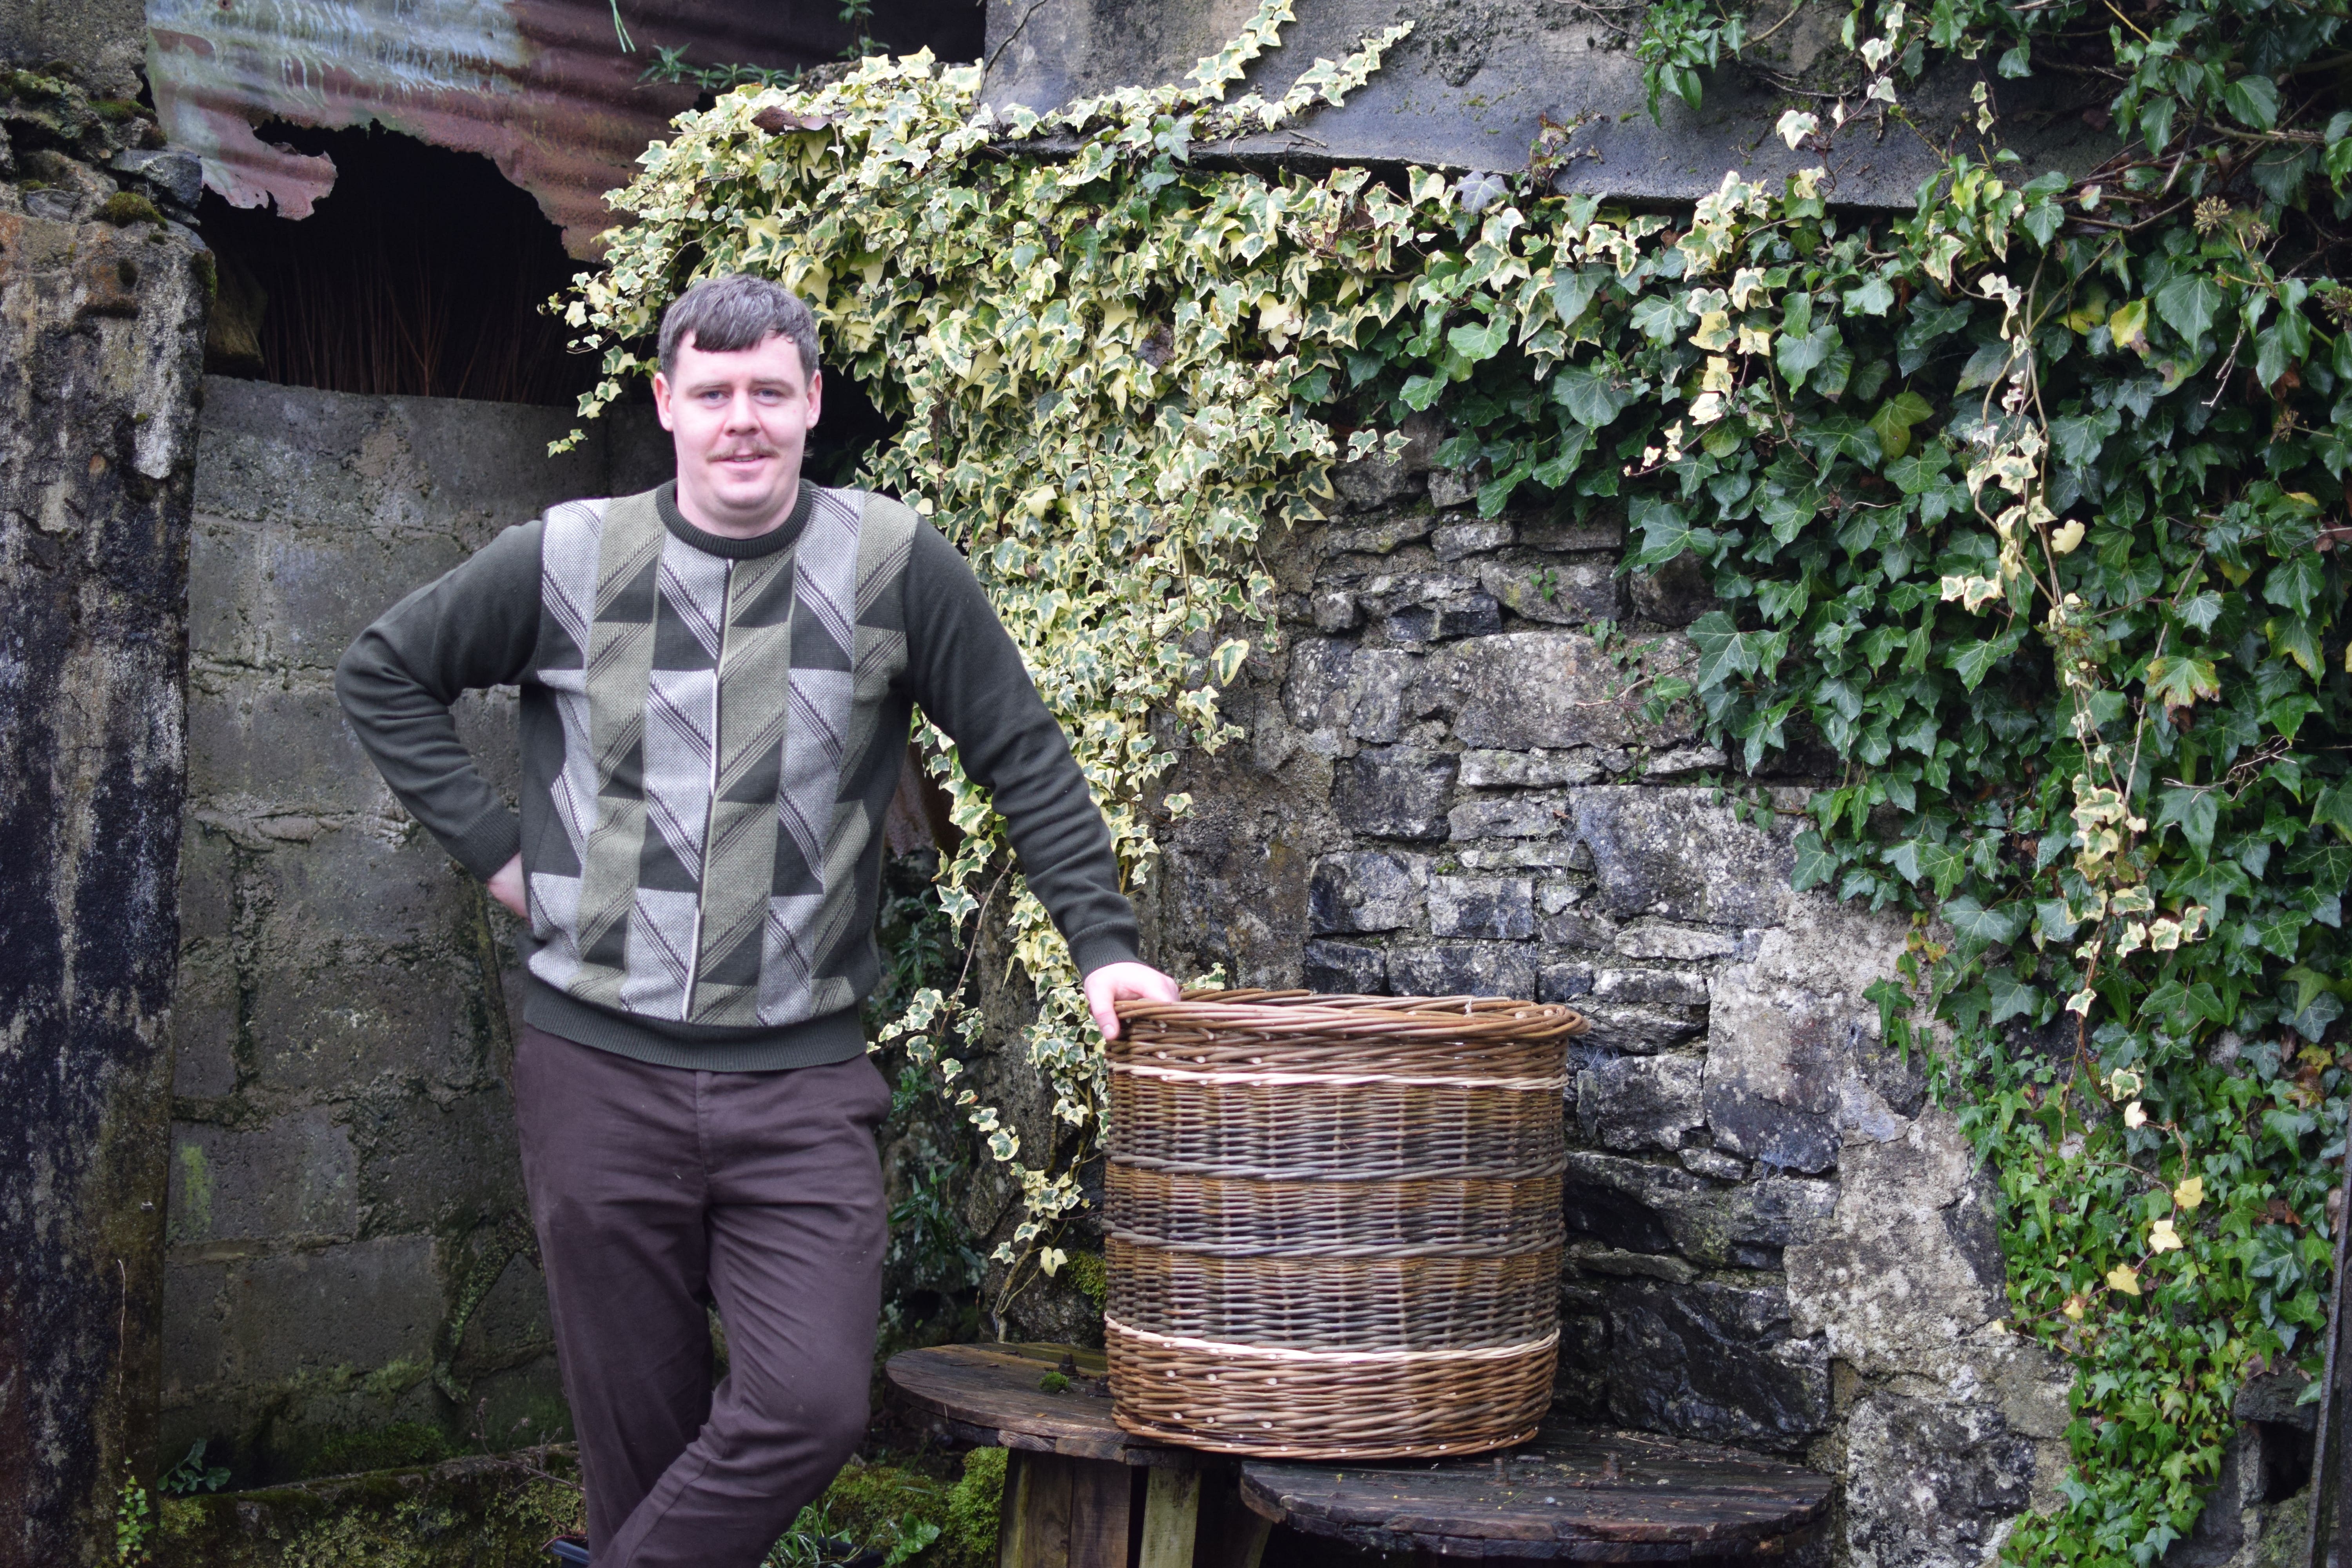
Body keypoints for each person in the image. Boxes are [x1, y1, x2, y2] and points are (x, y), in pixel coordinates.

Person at [335, 272, 1180, 1568]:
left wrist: (1106, 947)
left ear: (811, 404)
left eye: (770, 392)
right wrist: (506, 857)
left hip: (800, 1087)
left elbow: (1023, 754)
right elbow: (383, 672)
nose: (743, 419)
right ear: (667, 404)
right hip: (595, 1071)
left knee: (812, 1403)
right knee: (642, 1458)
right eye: (715, 393)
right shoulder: (566, 558)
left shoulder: (895, 567)